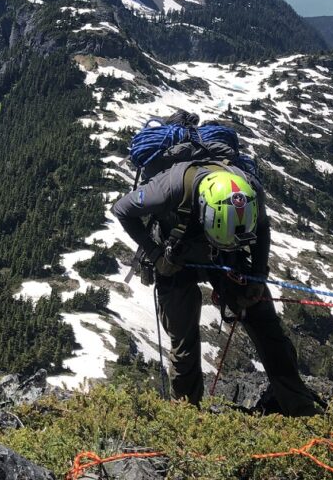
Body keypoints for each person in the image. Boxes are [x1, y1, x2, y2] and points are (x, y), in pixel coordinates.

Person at [111, 152, 321, 414]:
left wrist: (257, 276)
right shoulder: (169, 188)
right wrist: (155, 256)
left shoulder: (250, 190)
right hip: (175, 257)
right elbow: (121, 209)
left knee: (265, 323)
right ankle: (186, 417)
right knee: (184, 340)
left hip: (226, 255)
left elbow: (263, 229)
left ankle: (301, 410)